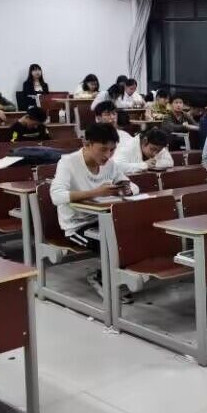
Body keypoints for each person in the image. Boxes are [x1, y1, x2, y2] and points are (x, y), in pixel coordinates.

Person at [50, 123, 139, 301]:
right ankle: (100, 277)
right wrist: (95, 192)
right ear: (87, 144)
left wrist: (126, 189)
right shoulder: (68, 162)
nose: (108, 155)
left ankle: (116, 276)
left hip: (104, 220)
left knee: (134, 236)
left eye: (112, 150)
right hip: (77, 226)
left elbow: (133, 186)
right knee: (111, 243)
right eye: (103, 149)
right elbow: (56, 196)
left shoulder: (110, 164)